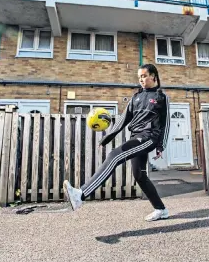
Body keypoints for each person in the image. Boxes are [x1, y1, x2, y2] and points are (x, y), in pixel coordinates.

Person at [63, 64, 170, 222]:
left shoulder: (161, 97)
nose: (141, 79)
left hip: (149, 137)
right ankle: (161, 209)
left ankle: (81, 194)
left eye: (144, 76)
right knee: (139, 175)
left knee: (114, 155)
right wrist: (108, 137)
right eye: (139, 77)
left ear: (154, 76)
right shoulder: (136, 97)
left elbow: (165, 123)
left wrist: (161, 145)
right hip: (136, 136)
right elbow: (123, 119)